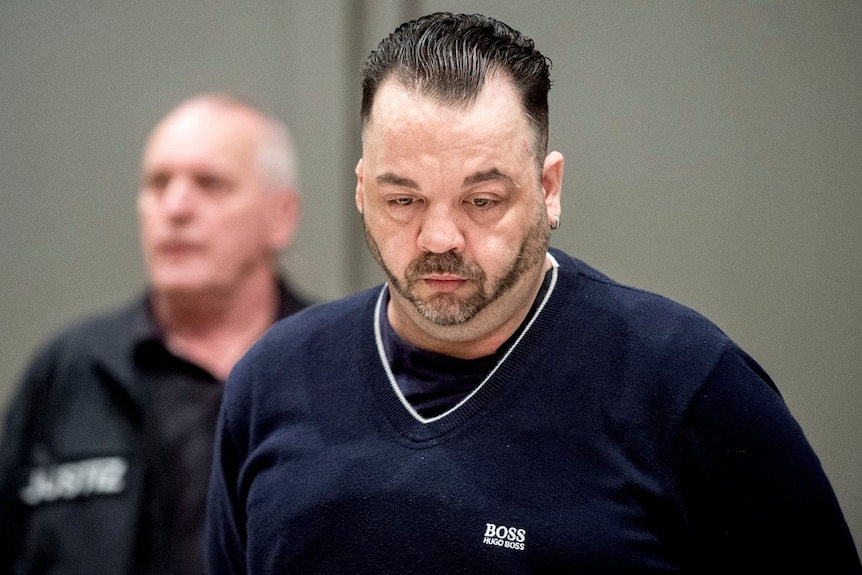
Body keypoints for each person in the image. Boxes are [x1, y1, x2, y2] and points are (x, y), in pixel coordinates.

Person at [206, 13, 861, 574]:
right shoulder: (272, 382)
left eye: (482, 200)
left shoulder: (687, 384)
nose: (439, 236)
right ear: (359, 189)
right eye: (402, 198)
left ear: (549, 189)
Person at [0, 93, 311, 575]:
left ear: (280, 216)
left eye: (210, 184)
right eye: (157, 183)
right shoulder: (73, 370)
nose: (175, 206)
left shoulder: (335, 366)